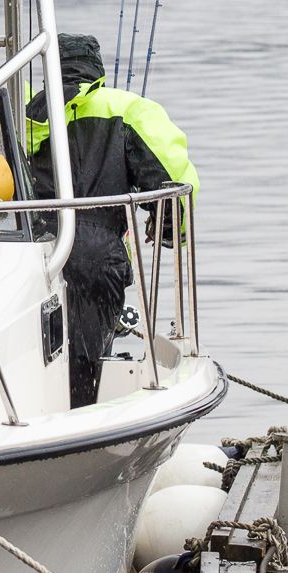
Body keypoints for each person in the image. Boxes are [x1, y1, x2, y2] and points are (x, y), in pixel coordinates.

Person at [26, 34, 199, 408]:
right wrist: (170, 229)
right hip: (97, 250)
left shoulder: (21, 109)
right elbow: (170, 175)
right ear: (96, 69)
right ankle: (80, 420)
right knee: (86, 358)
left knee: (31, 355)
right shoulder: (130, 109)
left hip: (27, 250)